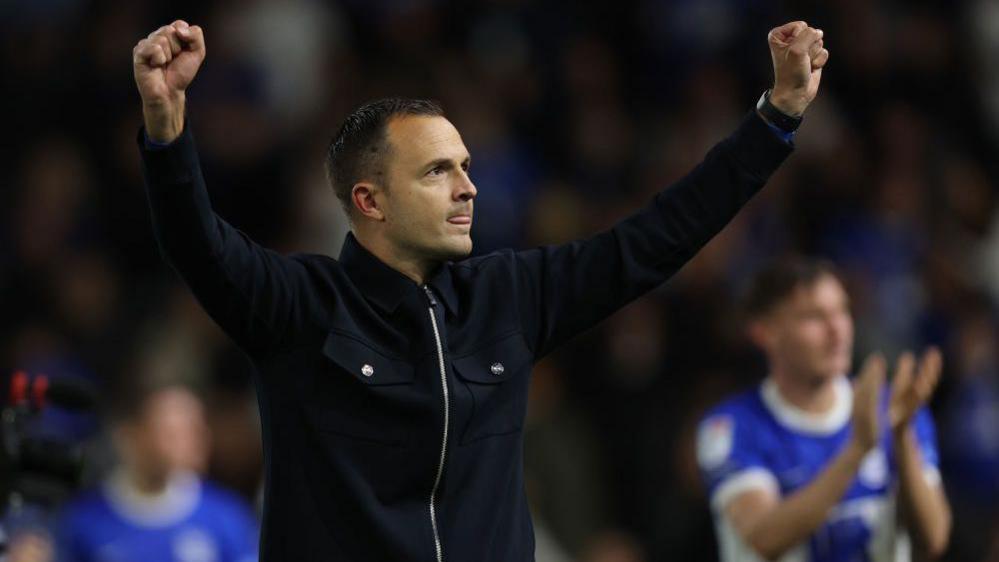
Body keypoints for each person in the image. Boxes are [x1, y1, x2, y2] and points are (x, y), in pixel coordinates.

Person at [131, 18, 828, 561]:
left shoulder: (507, 296)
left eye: (464, 165)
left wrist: (775, 120)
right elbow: (199, 246)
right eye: (437, 171)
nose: (467, 186)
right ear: (369, 201)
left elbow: (654, 239)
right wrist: (166, 132)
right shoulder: (300, 306)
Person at [696, 258, 951, 561]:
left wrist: (901, 435)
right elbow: (764, 537)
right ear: (765, 332)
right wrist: (857, 450)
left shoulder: (896, 409)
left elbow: (934, 539)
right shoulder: (732, 425)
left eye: (842, 311)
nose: (837, 329)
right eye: (814, 317)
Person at [55, 383, 258, 562]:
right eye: (172, 433)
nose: (192, 442)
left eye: (195, 429)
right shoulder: (83, 520)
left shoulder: (226, 515)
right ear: (131, 437)